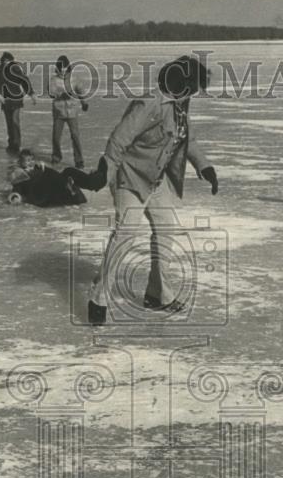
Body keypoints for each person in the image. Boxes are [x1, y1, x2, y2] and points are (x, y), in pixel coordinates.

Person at [85, 55, 220, 326]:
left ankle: (158, 294)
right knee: (126, 234)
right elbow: (119, 139)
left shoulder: (180, 106)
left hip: (156, 181)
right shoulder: (150, 104)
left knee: (165, 229)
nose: (194, 93)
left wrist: (204, 166)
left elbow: (187, 139)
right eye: (192, 87)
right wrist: (104, 171)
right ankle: (99, 297)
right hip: (130, 178)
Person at [6, 148, 105, 208]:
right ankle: (68, 186)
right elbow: (17, 188)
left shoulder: (37, 167)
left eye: (31, 159)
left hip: (50, 189)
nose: (30, 162)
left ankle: (92, 181)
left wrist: (42, 168)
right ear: (21, 162)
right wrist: (15, 196)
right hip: (40, 194)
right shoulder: (19, 174)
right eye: (27, 161)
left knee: (69, 171)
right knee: (61, 177)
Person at [46, 55, 89, 168]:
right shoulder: (53, 80)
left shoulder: (74, 79)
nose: (63, 71)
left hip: (72, 112)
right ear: (58, 68)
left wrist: (84, 103)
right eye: (61, 68)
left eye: (65, 68)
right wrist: (60, 94)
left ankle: (79, 160)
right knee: (56, 137)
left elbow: (80, 92)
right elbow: (51, 92)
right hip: (59, 112)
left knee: (75, 136)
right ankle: (56, 156)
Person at [0, 51, 36, 154]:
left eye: (8, 61)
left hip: (16, 99)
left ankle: (16, 144)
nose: (7, 63)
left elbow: (25, 81)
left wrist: (31, 94)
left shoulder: (16, 69)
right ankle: (11, 143)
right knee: (9, 123)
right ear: (2, 61)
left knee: (14, 121)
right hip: (6, 100)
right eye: (5, 61)